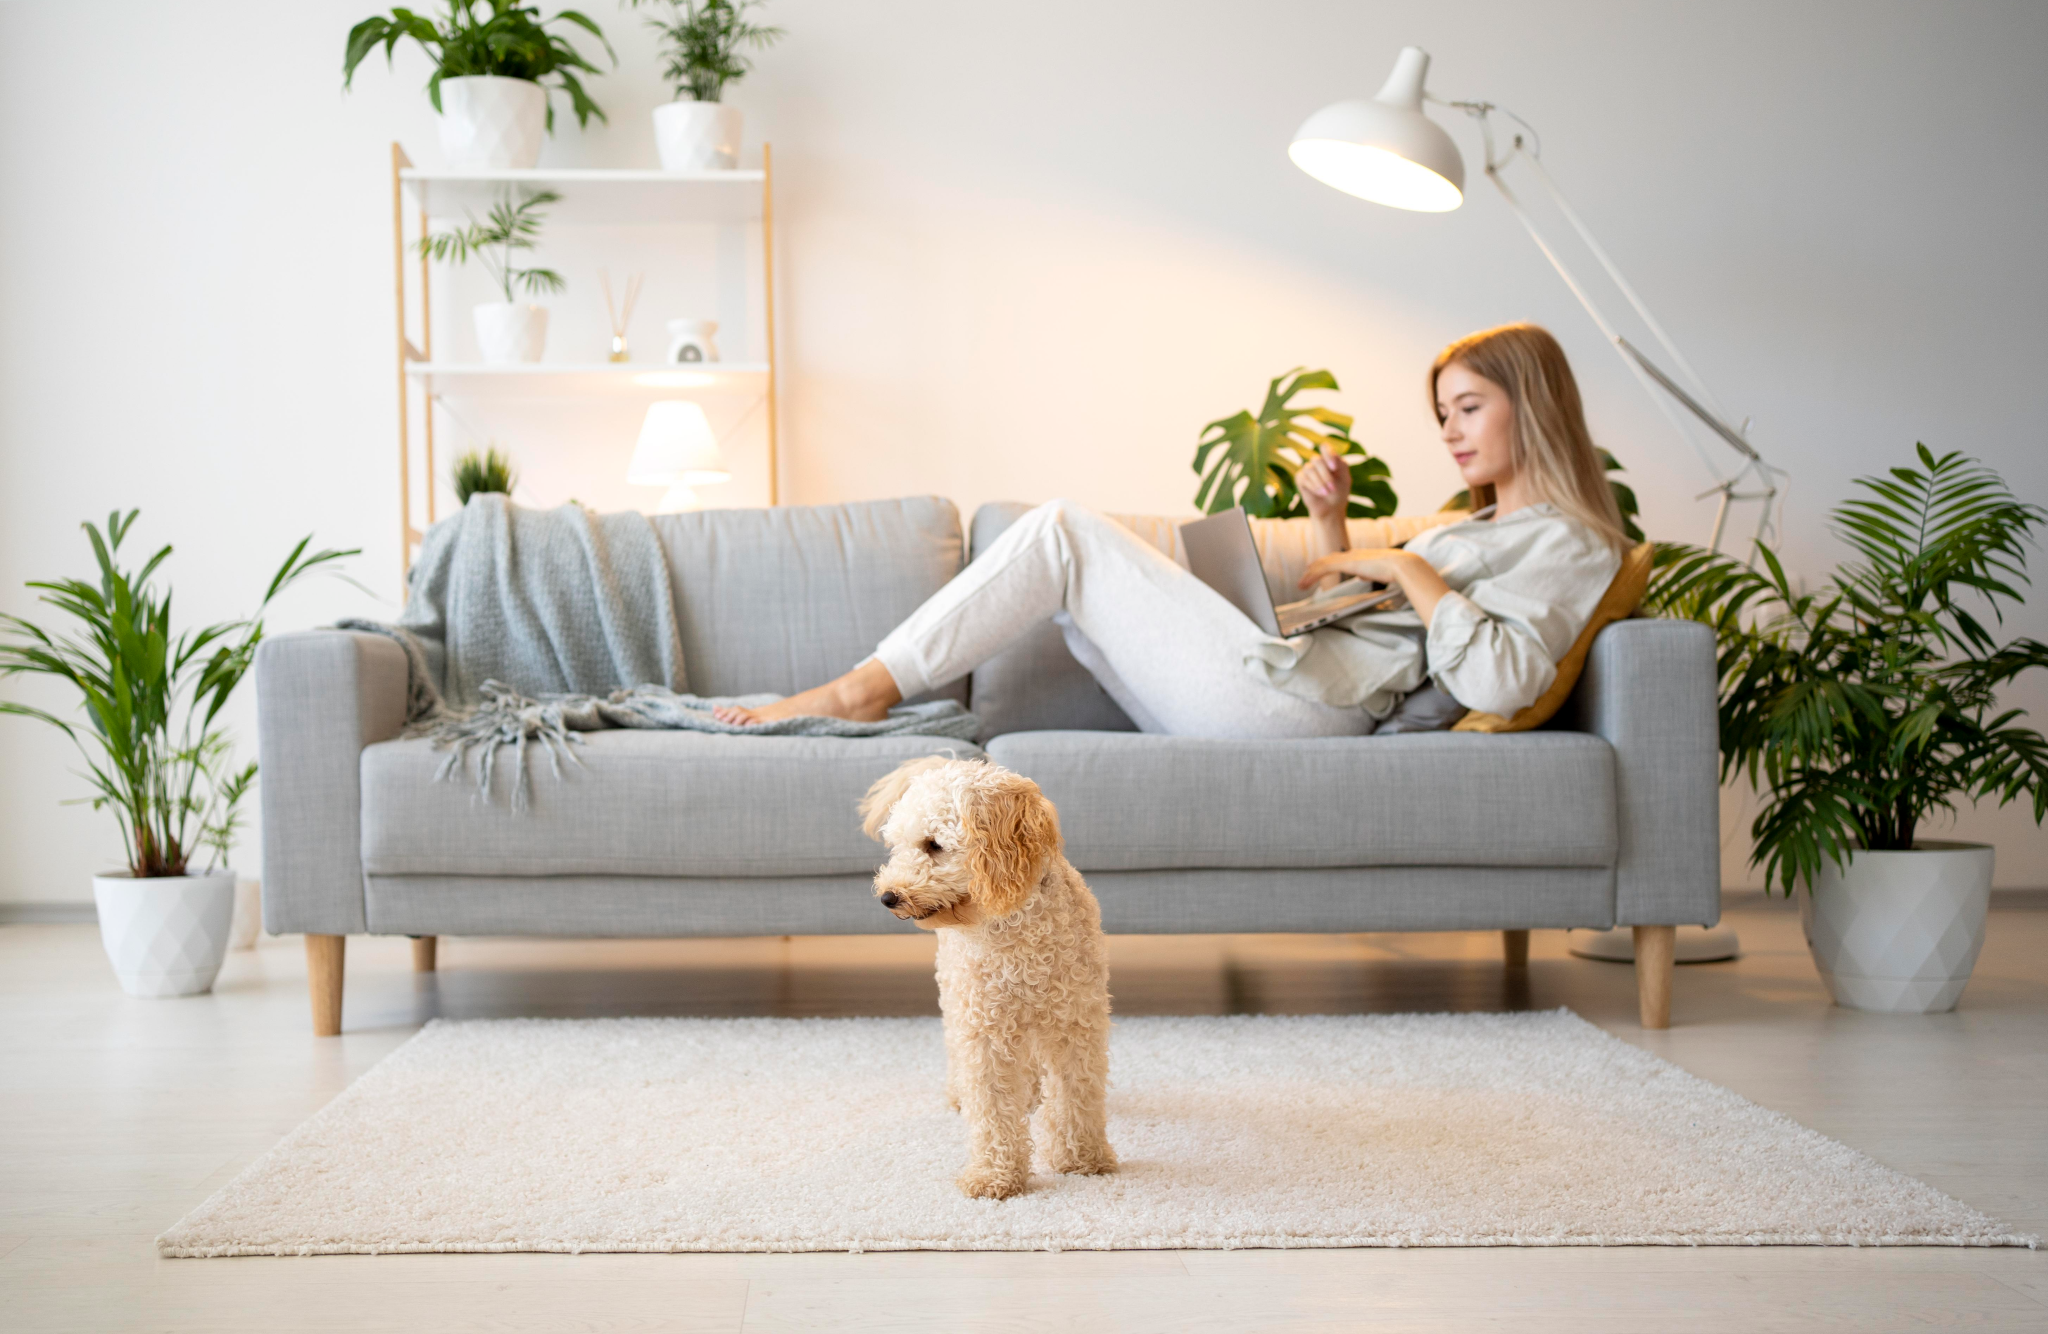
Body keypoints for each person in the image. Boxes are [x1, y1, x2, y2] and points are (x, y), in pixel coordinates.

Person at [713, 323, 1631, 739]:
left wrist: (1409, 567)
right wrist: (1329, 523)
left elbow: (1506, 682)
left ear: (1534, 403)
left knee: (1064, 533)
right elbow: (1356, 620)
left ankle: (856, 693)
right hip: (1292, 685)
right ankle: (870, 690)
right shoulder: (1477, 527)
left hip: (1306, 717)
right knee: (1072, 585)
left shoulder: (1574, 543)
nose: (1451, 432)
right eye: (1444, 414)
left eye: (1469, 407)